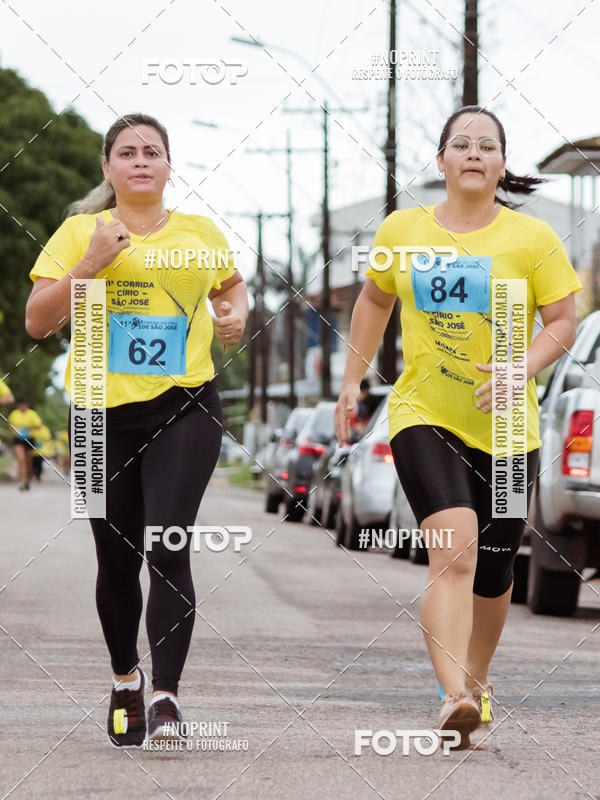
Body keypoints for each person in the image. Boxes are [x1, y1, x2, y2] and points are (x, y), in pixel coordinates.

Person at [334, 106, 582, 750]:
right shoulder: (403, 229)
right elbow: (374, 300)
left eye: (487, 146)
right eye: (461, 144)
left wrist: (518, 367)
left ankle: (477, 682)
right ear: (441, 160)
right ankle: (452, 697)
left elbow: (563, 320)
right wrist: (352, 380)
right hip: (426, 414)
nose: (474, 153)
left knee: (496, 568)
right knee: (455, 552)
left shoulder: (531, 240)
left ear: (502, 164)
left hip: (506, 429)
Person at [25, 113, 249, 748]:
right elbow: (37, 321)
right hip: (98, 416)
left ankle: (167, 697)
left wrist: (231, 316)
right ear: (108, 169)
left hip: (186, 405)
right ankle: (126, 677)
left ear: (170, 166)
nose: (141, 161)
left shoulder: (201, 234)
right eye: (127, 153)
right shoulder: (77, 234)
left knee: (168, 543)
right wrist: (90, 265)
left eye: (153, 151)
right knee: (115, 559)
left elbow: (232, 289)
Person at [8, 400, 43, 490]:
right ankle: (21, 481)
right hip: (18, 439)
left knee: (28, 461)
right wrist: (14, 430)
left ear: (26, 405)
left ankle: (27, 478)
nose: (22, 407)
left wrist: (28, 427)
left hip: (29, 439)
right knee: (21, 460)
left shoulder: (32, 414)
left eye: (24, 405)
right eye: (20, 405)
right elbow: (10, 425)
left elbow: (39, 425)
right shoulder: (14, 414)